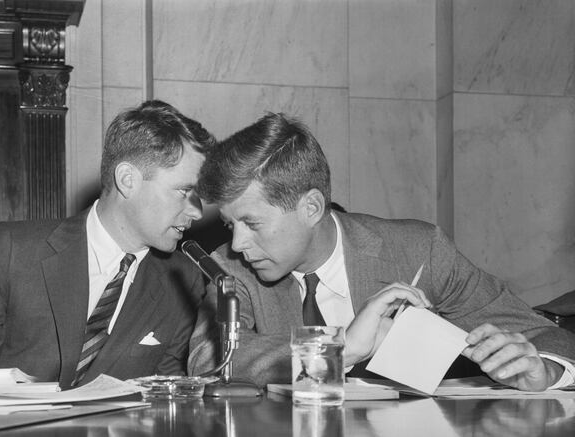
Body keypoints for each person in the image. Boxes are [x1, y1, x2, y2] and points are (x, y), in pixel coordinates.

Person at [188, 112, 575, 391]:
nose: (237, 243)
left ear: (312, 208)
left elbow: (543, 333)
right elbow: (209, 361)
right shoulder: (228, 268)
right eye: (229, 224)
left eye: (252, 224)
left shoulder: (421, 251)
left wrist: (546, 370)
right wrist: (339, 348)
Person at [0, 100, 213, 388]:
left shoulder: (184, 280)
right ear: (127, 180)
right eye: (185, 191)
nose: (196, 211)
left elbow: (167, 396)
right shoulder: (12, 252)